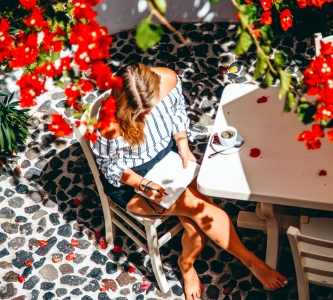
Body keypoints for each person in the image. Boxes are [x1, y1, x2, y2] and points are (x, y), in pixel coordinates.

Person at [92, 62, 287, 300]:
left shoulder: (168, 80)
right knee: (201, 209)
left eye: (151, 106)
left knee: (195, 219)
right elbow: (111, 168)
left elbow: (177, 113)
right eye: (140, 112)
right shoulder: (108, 124)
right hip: (131, 184)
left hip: (169, 156)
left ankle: (186, 264)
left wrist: (183, 145)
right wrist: (144, 184)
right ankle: (251, 262)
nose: (149, 114)